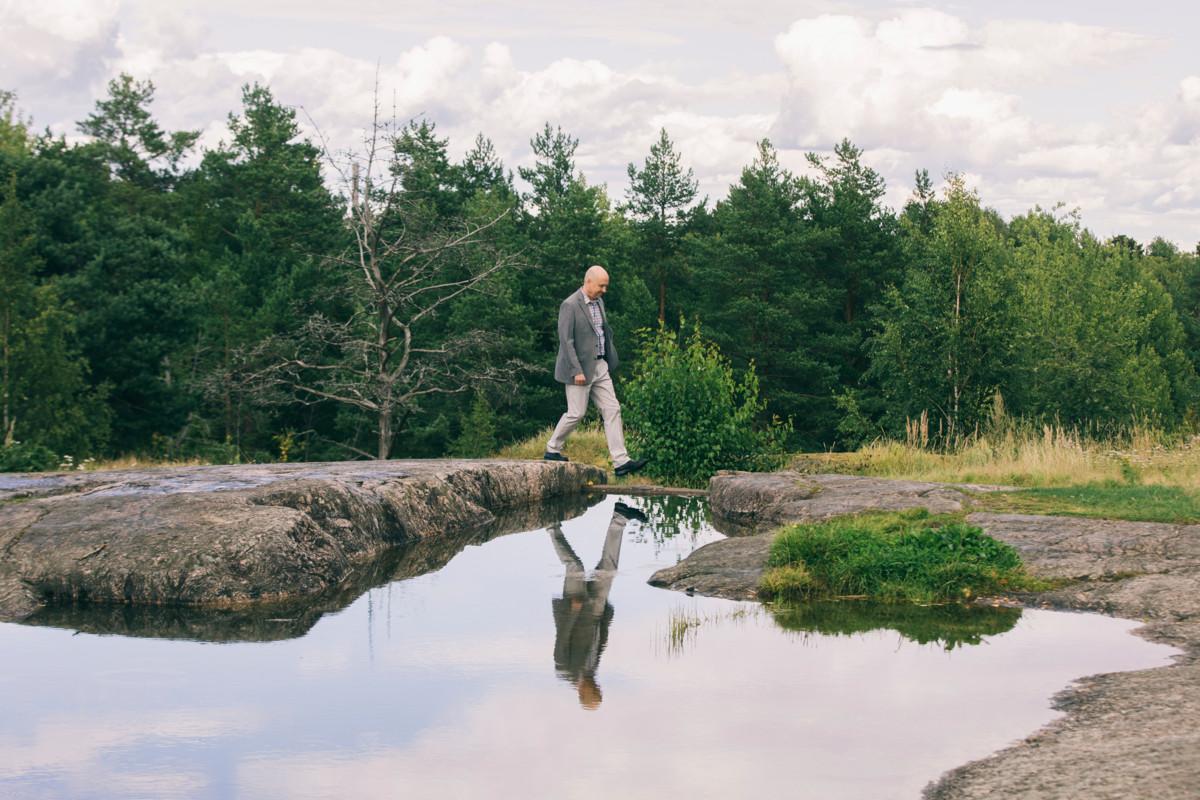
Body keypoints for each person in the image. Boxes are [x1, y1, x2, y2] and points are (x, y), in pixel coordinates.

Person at [544, 265, 647, 477]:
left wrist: (608, 359)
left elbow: (601, 332)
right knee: (576, 413)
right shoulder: (569, 305)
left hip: (600, 366)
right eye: (601, 286)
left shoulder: (600, 302)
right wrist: (576, 370)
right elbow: (566, 341)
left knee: (612, 409)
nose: (604, 290)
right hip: (579, 369)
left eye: (606, 286)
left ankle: (621, 461)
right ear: (588, 281)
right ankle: (552, 449)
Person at [548, 501, 647, 709]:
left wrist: (573, 612)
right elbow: (598, 643)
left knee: (575, 566)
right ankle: (619, 518)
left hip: (574, 607)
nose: (598, 687)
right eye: (598, 690)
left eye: (596, 691)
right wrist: (606, 618)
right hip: (595, 611)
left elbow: (562, 637)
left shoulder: (564, 669)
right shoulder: (591, 671)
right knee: (609, 569)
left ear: (583, 693)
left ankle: (551, 526)